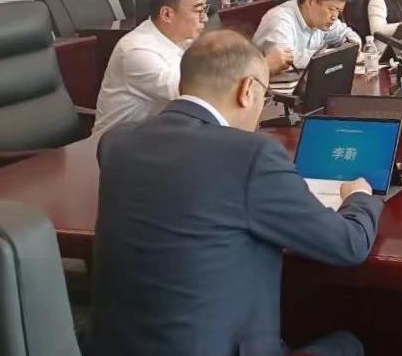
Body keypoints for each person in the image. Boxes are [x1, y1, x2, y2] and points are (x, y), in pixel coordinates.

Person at [86, 30, 380, 356]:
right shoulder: (251, 155)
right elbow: (349, 244)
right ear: (247, 90)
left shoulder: (118, 142)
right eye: (264, 96)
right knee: (351, 343)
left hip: (115, 346)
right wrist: (359, 197)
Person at [94, 0, 208, 133]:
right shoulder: (136, 51)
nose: (205, 18)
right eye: (198, 11)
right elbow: (197, 94)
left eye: (205, 9)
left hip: (159, 135)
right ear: (167, 14)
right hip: (116, 144)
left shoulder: (184, 39)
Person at [252, 0, 362, 74]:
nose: (334, 17)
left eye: (339, 11)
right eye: (331, 9)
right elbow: (285, 61)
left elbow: (347, 34)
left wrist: (352, 48)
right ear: (311, 2)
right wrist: (333, 56)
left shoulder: (323, 19)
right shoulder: (280, 20)